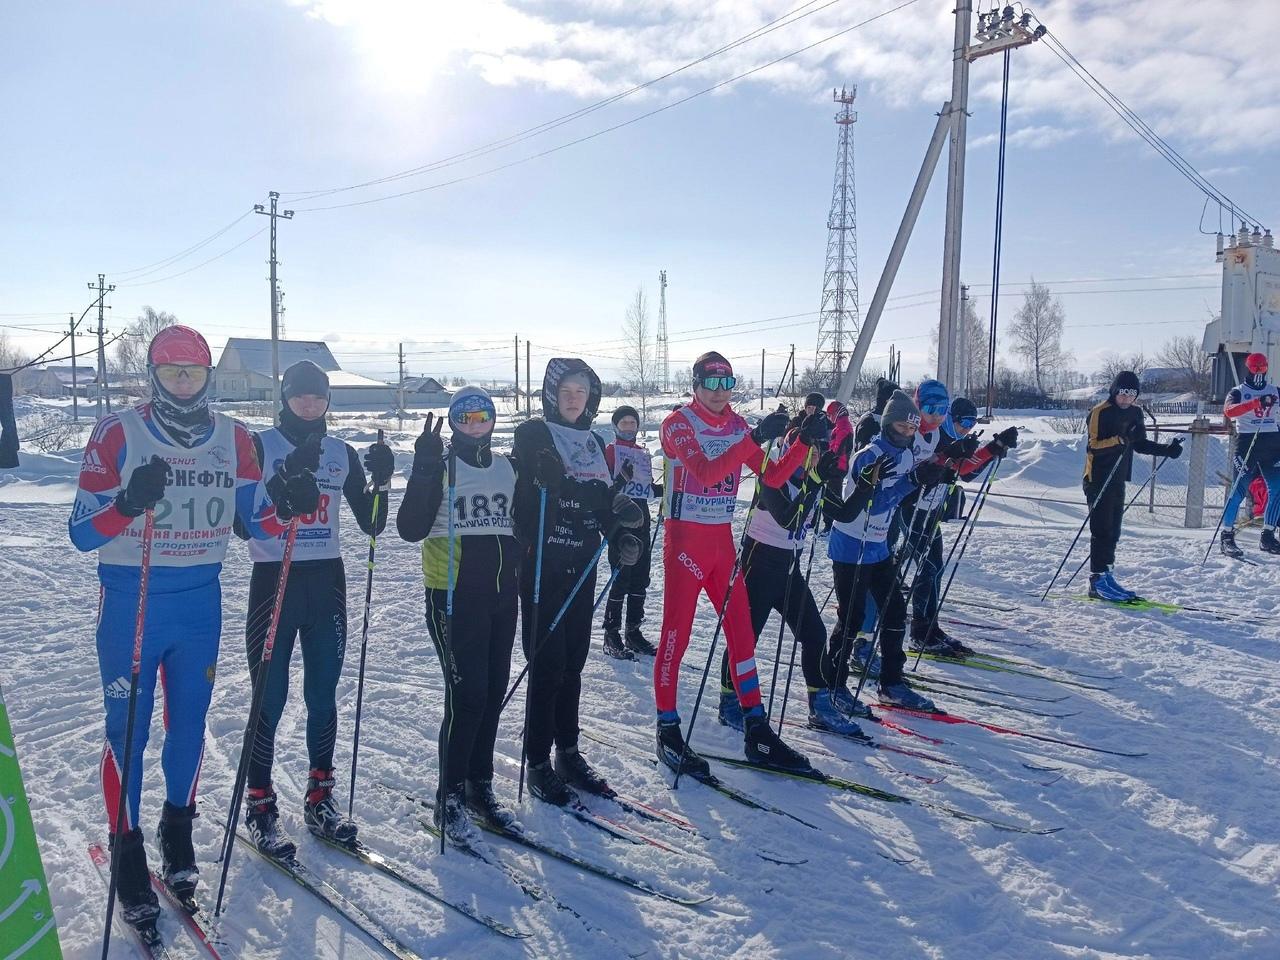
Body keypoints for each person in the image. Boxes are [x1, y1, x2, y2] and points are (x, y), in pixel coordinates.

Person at [69, 326, 314, 930]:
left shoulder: (235, 439)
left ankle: (177, 827)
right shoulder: (119, 431)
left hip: (200, 600)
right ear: (154, 375)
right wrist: (126, 505)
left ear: (208, 377)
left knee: (189, 728)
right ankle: (127, 848)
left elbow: (257, 526)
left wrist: (287, 505)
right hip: (134, 597)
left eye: (194, 373)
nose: (184, 382)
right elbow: (80, 533)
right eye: (172, 372)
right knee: (127, 730)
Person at [239, 360, 393, 858]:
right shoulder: (261, 447)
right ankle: (260, 804)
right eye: (301, 395)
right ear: (284, 398)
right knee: (271, 696)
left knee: (323, 693)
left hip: (326, 579)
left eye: (318, 396)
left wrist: (383, 482)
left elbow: (370, 524)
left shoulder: (340, 453)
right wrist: (282, 500)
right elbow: (243, 525)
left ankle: (320, 795)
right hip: (274, 579)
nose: (310, 404)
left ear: (328, 400)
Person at [653, 351, 815, 776]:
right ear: (696, 384)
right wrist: (754, 437)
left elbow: (774, 476)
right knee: (677, 635)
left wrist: (804, 443)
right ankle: (667, 728)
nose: (720, 392)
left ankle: (756, 728)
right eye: (711, 383)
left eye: (727, 384)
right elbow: (705, 472)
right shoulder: (677, 424)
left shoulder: (739, 426)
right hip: (686, 543)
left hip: (722, 545)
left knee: (743, 635)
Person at [396, 387, 526, 846]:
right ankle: (447, 796)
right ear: (453, 422)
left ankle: (479, 784)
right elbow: (409, 528)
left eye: (483, 416)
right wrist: (425, 469)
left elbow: (524, 524)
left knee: (491, 694)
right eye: (465, 417)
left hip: (499, 595)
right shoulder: (445, 467)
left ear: (492, 421)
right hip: (451, 595)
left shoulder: (507, 468)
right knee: (466, 696)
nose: (475, 424)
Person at [512, 359, 645, 805]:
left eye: (582, 391)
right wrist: (587, 496)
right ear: (552, 393)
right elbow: (550, 489)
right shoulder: (534, 433)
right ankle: (536, 761)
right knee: (547, 667)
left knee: (574, 664)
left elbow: (602, 505)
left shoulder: (593, 442)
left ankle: (567, 751)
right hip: (543, 563)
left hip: (581, 565)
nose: (574, 398)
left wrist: (620, 536)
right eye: (566, 390)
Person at [714, 412, 864, 737]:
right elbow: (787, 518)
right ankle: (729, 702)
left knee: (814, 635)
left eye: (820, 450)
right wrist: (812, 483)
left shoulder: (815, 476)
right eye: (808, 447)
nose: (814, 455)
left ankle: (820, 705)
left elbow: (843, 513)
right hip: (759, 565)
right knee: (745, 640)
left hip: (788, 569)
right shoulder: (771, 472)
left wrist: (866, 487)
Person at [823, 390, 947, 712]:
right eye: (903, 427)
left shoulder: (906, 455)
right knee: (852, 619)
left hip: (877, 546)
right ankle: (833, 686)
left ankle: (891, 684)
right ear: (890, 424)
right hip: (851, 545)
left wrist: (928, 479)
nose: (908, 433)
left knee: (894, 612)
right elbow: (875, 503)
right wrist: (913, 481)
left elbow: (901, 499)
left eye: (912, 428)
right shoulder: (869, 455)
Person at [897, 397, 1018, 655]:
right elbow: (930, 464)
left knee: (936, 569)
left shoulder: (955, 439)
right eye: (963, 422)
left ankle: (931, 626)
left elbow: (965, 471)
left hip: (931, 511)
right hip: (912, 509)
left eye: (971, 423)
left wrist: (994, 447)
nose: (967, 427)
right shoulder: (934, 435)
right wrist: (950, 457)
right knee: (928, 568)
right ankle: (918, 632)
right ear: (950, 417)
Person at [1083, 371, 1183, 600]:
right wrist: (1120, 440)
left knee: (1114, 530)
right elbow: (1093, 446)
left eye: (1132, 394)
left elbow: (1140, 444)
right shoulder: (1100, 412)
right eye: (1123, 392)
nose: (1127, 398)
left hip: (1118, 477)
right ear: (1115, 391)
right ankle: (1096, 580)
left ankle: (1106, 574)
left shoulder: (1136, 413)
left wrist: (1167, 450)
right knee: (1101, 529)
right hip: (1097, 477)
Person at [600, 405, 663, 659]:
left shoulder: (642, 454)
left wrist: (669, 487)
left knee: (640, 577)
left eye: (632, 423)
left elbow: (647, 489)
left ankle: (633, 631)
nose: (629, 427)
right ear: (615, 426)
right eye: (624, 423)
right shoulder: (610, 451)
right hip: (620, 518)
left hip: (642, 517)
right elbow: (603, 490)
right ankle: (611, 633)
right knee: (621, 575)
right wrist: (620, 481)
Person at [1219, 352, 1280, 557]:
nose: (1259, 371)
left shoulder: (1275, 390)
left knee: (1277, 488)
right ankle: (1227, 536)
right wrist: (1256, 403)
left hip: (1272, 444)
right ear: (1248, 367)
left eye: (1262, 367)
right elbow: (1230, 411)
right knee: (1238, 490)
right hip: (1247, 443)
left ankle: (1268, 535)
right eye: (1255, 368)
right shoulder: (1238, 391)